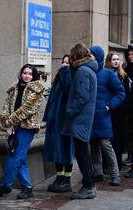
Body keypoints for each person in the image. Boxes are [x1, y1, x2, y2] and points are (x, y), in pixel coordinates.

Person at [0, 64, 46, 200]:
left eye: (30, 74)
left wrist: (11, 119)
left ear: (34, 76)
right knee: (18, 158)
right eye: (24, 73)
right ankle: (27, 187)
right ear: (21, 74)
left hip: (27, 127)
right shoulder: (14, 88)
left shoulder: (36, 90)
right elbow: (6, 105)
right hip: (13, 127)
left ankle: (6, 186)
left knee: (15, 156)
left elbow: (28, 108)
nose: (27, 76)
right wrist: (5, 119)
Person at [61, 43, 98, 199]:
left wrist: (69, 112)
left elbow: (81, 97)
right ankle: (89, 185)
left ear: (76, 56)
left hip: (79, 119)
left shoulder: (83, 71)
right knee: (83, 153)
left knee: (82, 153)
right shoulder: (88, 69)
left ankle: (88, 186)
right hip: (83, 118)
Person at [88, 46, 125, 186]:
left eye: (92, 55)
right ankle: (97, 173)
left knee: (105, 145)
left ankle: (115, 174)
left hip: (103, 116)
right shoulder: (87, 72)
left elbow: (120, 93)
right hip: (91, 116)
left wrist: (110, 105)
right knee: (94, 145)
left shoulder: (108, 74)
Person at [43, 55, 74, 193]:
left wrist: (66, 72)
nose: (65, 64)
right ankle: (59, 177)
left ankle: (67, 180)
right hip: (54, 121)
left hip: (65, 121)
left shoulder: (71, 76)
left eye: (68, 62)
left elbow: (70, 90)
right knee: (56, 151)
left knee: (66, 150)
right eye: (63, 62)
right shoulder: (58, 78)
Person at [105, 51, 130, 172]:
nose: (116, 61)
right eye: (113, 59)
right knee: (108, 140)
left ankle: (118, 165)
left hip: (120, 113)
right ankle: (108, 166)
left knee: (118, 140)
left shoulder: (123, 76)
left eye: (117, 59)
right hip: (108, 111)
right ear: (109, 61)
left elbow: (125, 94)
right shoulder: (105, 74)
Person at [122, 45, 133, 178]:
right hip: (128, 107)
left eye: (132, 54)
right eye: (129, 54)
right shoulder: (126, 69)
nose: (130, 56)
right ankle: (130, 156)